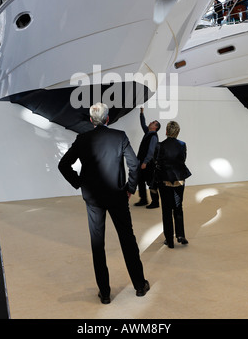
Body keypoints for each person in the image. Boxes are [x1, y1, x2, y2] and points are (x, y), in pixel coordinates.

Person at [58, 102, 149, 304]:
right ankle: (140, 285)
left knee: (98, 245)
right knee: (128, 240)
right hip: (118, 196)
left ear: (91, 120)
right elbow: (134, 165)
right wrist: (130, 189)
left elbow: (63, 165)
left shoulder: (82, 139)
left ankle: (105, 293)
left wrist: (80, 183)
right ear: (108, 119)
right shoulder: (119, 137)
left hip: (93, 200)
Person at [156, 121, 191, 249]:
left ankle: (169, 240)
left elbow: (158, 163)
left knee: (166, 210)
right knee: (178, 207)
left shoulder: (160, 145)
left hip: (164, 181)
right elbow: (183, 160)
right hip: (179, 180)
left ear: (166, 131)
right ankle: (180, 235)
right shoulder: (182, 145)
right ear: (177, 132)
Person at [134, 108, 160, 209]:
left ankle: (155, 202)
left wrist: (145, 162)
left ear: (155, 127)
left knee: (151, 183)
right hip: (142, 162)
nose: (150, 123)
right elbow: (143, 124)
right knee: (140, 180)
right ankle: (143, 199)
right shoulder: (148, 133)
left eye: (153, 123)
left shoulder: (153, 137)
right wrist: (141, 113)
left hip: (148, 164)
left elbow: (151, 151)